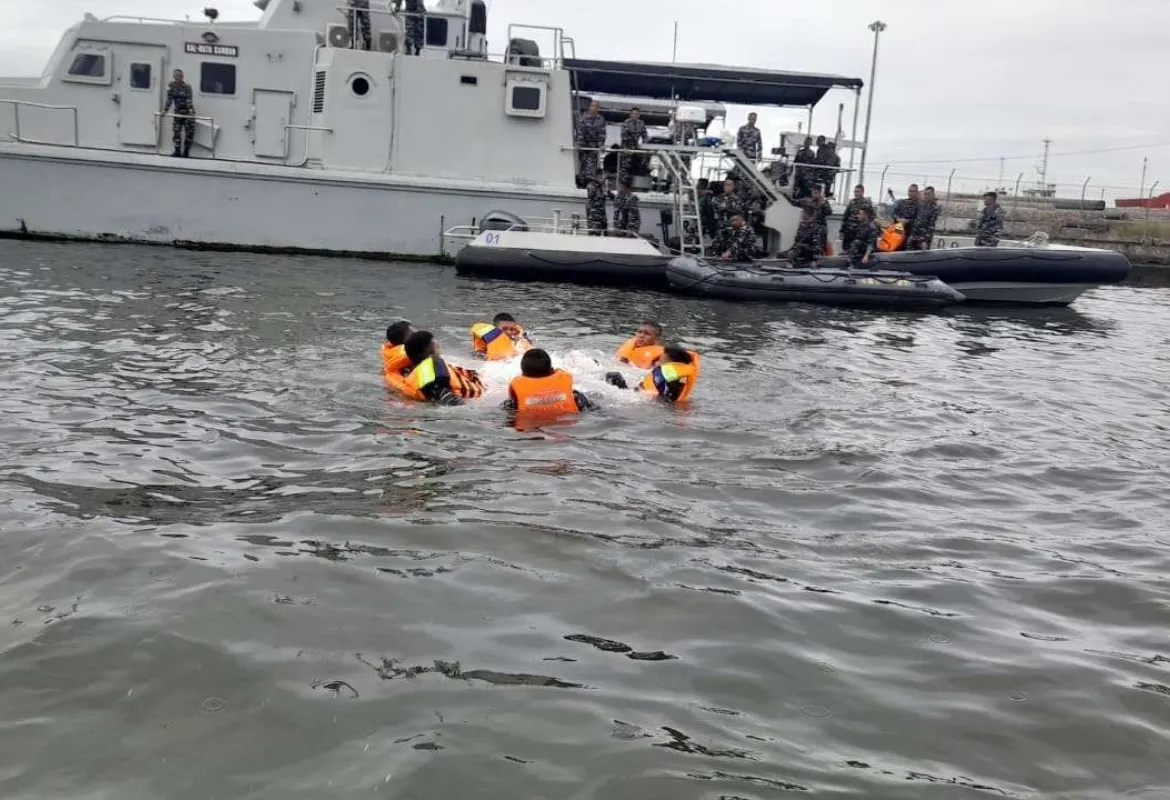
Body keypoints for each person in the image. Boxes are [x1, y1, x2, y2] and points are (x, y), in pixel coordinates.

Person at [396, 331, 484, 405]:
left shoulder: (409, 371)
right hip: (479, 395)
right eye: (437, 347)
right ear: (430, 355)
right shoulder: (433, 377)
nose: (439, 351)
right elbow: (452, 401)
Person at [504, 349, 599, 414]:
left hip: (530, 429)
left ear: (523, 375)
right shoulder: (577, 398)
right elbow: (595, 410)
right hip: (569, 427)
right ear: (552, 370)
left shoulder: (513, 404)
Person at [606, 345, 700, 404]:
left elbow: (655, 394)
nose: (660, 357)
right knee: (614, 376)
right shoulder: (669, 375)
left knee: (613, 376)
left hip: (640, 399)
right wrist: (628, 362)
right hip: (638, 395)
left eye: (663, 355)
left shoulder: (669, 379)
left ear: (670, 361)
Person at [163, 69, 195, 158]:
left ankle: (186, 151)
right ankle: (177, 151)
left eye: (180, 76)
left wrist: (190, 112)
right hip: (178, 112)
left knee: (189, 133)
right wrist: (165, 110)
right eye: (176, 75)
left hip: (188, 113)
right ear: (173, 76)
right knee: (176, 132)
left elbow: (189, 100)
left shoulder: (187, 86)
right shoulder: (171, 85)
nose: (178, 77)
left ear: (182, 76)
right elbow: (169, 99)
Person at [576, 100, 607, 185]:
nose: (594, 108)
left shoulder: (601, 119)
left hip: (594, 147)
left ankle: (590, 183)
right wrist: (580, 145)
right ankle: (581, 183)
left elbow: (602, 134)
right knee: (583, 166)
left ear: (598, 108)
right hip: (584, 146)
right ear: (589, 107)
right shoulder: (583, 117)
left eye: (596, 106)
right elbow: (580, 132)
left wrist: (601, 145)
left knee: (592, 167)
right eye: (592, 106)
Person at [840, 185, 875, 252]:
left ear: (862, 192)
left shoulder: (867, 203)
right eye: (855, 192)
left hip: (858, 231)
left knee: (855, 249)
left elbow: (871, 216)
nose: (856, 193)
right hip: (849, 230)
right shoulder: (852, 202)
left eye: (858, 191)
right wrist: (842, 230)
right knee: (846, 249)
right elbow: (845, 216)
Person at [618, 107, 647, 185]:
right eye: (633, 114)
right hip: (626, 148)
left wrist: (644, 146)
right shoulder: (626, 123)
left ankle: (633, 184)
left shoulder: (641, 123)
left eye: (637, 114)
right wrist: (628, 148)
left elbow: (645, 135)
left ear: (639, 115)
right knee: (625, 169)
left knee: (638, 166)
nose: (635, 115)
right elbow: (624, 136)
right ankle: (622, 185)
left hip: (636, 149)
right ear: (630, 114)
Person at [908, 186, 940, 251]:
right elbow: (916, 222)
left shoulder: (935, 209)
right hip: (914, 238)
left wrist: (925, 241)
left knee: (921, 256)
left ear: (933, 195)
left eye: (928, 194)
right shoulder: (921, 206)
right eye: (925, 194)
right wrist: (911, 235)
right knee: (909, 254)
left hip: (923, 239)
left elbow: (931, 226)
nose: (926, 196)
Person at [586, 170, 609, 235]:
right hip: (594, 216)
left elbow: (610, 196)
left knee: (604, 235)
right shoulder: (591, 185)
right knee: (594, 236)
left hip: (602, 216)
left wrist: (605, 188)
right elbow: (592, 197)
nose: (604, 179)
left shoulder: (603, 186)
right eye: (603, 177)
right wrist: (601, 186)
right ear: (598, 176)